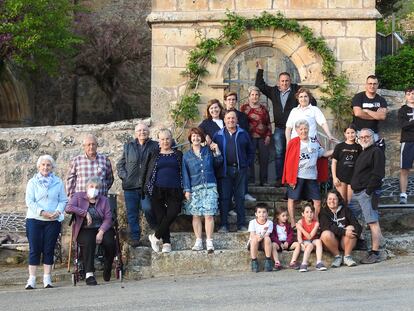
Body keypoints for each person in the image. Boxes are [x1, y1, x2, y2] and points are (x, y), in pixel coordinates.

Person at [255, 60, 317, 187]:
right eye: (282, 81)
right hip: (279, 129)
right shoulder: (274, 91)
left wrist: (304, 111)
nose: (284, 83)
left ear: (290, 81)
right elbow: (260, 85)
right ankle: (280, 179)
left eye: (286, 81)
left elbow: (312, 102)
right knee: (279, 154)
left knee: (295, 154)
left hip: (295, 130)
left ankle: (293, 178)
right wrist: (260, 70)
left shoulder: (296, 90)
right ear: (279, 82)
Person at [25, 155, 68, 289]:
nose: (45, 167)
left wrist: (57, 212)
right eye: (43, 165)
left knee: (49, 249)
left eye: (48, 165)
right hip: (35, 219)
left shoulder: (58, 182)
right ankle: (31, 280)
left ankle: (47, 279)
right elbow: (29, 201)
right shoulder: (32, 182)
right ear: (39, 167)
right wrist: (42, 212)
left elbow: (63, 200)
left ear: (52, 167)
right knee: (34, 249)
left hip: (53, 220)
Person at [65, 177, 115, 286]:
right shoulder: (78, 196)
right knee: (88, 241)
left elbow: (108, 218)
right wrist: (84, 213)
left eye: (97, 187)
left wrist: (101, 232)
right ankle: (89, 274)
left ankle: (108, 266)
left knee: (110, 242)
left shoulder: (104, 200)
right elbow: (68, 208)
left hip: (102, 228)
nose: (94, 189)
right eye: (91, 186)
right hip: (85, 228)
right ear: (87, 187)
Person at [282, 119, 332, 225]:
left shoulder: (314, 142)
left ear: (309, 129)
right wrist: (290, 179)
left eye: (305, 128)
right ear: (297, 130)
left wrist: (339, 149)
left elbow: (323, 154)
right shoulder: (293, 142)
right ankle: (293, 222)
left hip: (312, 177)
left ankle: (315, 221)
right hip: (297, 176)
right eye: (301, 129)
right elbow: (288, 162)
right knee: (292, 199)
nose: (303, 131)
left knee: (317, 201)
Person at [116, 122, 158, 247]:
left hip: (146, 186)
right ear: (135, 133)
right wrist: (125, 177)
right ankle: (135, 238)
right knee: (132, 214)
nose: (142, 132)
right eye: (139, 130)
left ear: (148, 132)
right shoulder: (128, 146)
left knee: (148, 208)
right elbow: (120, 165)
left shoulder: (155, 145)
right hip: (130, 187)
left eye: (144, 130)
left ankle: (157, 230)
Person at [213, 110, 255, 232]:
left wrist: (246, 164)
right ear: (224, 120)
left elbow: (250, 151)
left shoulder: (243, 133)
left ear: (237, 120)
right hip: (225, 171)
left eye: (233, 118)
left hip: (240, 170)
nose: (230, 120)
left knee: (240, 197)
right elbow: (213, 152)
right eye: (228, 118)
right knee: (224, 198)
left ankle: (241, 224)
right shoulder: (218, 135)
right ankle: (223, 225)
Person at [182, 127, 222, 253]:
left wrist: (217, 151)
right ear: (190, 139)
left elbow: (219, 162)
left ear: (202, 138)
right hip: (194, 188)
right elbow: (185, 174)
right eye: (193, 136)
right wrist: (187, 190)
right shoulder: (186, 156)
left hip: (210, 186)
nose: (196, 138)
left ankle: (209, 241)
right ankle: (198, 241)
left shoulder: (208, 151)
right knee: (196, 216)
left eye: (198, 135)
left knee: (209, 215)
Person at [145, 128, 183, 253]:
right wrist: (144, 187)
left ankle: (155, 237)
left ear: (171, 140)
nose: (165, 141)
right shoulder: (154, 154)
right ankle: (167, 243)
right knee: (161, 217)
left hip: (175, 189)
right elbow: (147, 171)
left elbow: (183, 171)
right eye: (162, 139)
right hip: (157, 189)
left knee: (173, 213)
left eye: (167, 138)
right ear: (158, 141)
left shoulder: (178, 154)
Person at [350, 128, 385, 264]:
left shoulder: (376, 152)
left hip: (367, 193)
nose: (364, 139)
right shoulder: (364, 152)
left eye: (367, 136)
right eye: (362, 137)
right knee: (351, 216)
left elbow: (378, 174)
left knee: (373, 222)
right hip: (357, 193)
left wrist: (368, 191)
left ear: (373, 137)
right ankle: (361, 241)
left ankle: (375, 252)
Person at [224, 91, 255, 201]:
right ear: (225, 101)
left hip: (240, 149)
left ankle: (245, 192)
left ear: (236, 101)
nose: (231, 101)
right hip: (225, 153)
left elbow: (246, 132)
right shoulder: (221, 114)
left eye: (233, 99)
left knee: (243, 172)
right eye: (229, 99)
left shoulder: (242, 116)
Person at [319, 190, 362, 268]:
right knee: (325, 234)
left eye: (334, 199)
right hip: (331, 242)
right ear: (326, 200)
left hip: (345, 242)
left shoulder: (346, 210)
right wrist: (344, 231)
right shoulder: (323, 212)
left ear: (338, 200)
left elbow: (357, 225)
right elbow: (327, 227)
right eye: (330, 199)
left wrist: (354, 232)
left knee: (351, 228)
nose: (332, 201)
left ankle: (347, 257)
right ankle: (337, 257)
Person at [240, 86, 272, 186]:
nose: (254, 97)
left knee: (264, 159)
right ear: (249, 96)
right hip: (249, 138)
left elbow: (268, 123)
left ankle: (264, 180)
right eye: (252, 95)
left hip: (263, 138)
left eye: (256, 95)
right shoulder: (244, 108)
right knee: (250, 159)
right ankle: (251, 180)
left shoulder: (263, 109)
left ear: (259, 96)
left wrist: (268, 136)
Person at [351, 75, 387, 147]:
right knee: (358, 156)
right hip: (359, 132)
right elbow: (358, 113)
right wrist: (376, 115)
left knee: (372, 155)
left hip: (373, 133)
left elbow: (382, 116)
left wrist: (367, 111)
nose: (372, 86)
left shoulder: (381, 100)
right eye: (370, 83)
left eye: (374, 84)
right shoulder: (358, 97)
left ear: (377, 85)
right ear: (366, 85)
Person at [331, 124, 362, 204]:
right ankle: (343, 216)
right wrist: (334, 177)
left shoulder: (359, 147)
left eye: (352, 132)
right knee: (342, 200)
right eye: (348, 133)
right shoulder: (339, 146)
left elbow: (362, 162)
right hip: (341, 177)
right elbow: (334, 162)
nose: (350, 135)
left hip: (353, 177)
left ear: (356, 133)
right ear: (345, 134)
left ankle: (349, 216)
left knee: (350, 201)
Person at [296, 204, 327, 272]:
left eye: (311, 212)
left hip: (312, 240)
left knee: (318, 241)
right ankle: (304, 263)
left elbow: (310, 237)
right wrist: (301, 244)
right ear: (303, 214)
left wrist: (301, 228)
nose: (309, 214)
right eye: (307, 212)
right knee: (309, 245)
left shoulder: (316, 223)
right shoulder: (300, 222)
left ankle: (319, 263)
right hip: (304, 242)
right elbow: (299, 237)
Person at [270, 206, 301, 270]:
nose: (285, 217)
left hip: (288, 243)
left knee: (297, 244)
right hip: (278, 244)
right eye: (283, 216)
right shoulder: (273, 225)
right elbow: (273, 236)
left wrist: (287, 242)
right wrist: (279, 243)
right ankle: (277, 263)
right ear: (277, 216)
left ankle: (293, 262)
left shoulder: (288, 225)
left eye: (286, 215)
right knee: (273, 245)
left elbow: (291, 235)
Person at [398, 87, 414, 204]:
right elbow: (403, 125)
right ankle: (403, 194)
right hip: (407, 141)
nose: (411, 96)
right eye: (409, 94)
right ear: (406, 96)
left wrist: (410, 124)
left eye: (413, 94)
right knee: (404, 169)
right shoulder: (403, 110)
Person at [247, 203, 273, 272]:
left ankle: (268, 260)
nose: (262, 214)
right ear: (256, 214)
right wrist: (260, 236)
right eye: (259, 212)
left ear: (267, 213)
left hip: (264, 244)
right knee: (254, 239)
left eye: (264, 212)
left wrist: (260, 236)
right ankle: (254, 261)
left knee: (267, 238)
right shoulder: (252, 222)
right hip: (253, 243)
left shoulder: (269, 223)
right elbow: (252, 235)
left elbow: (267, 235)